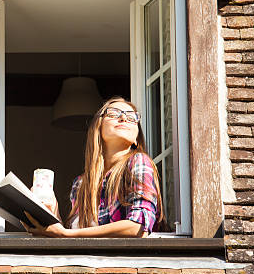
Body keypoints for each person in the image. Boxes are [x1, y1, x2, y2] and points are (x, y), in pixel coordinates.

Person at [21, 97, 166, 238]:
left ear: (136, 139)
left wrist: (65, 233)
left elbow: (139, 227)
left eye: (132, 117)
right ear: (98, 128)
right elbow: (75, 237)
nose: (123, 118)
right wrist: (53, 216)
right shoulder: (81, 183)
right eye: (113, 113)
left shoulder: (138, 161)